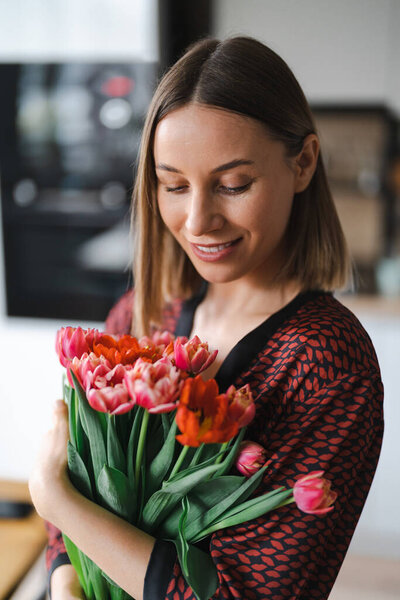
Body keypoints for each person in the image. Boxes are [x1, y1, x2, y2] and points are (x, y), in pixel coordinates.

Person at [29, 36, 384, 600]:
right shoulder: (145, 312)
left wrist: (55, 500)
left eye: (233, 184)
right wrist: (66, 578)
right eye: (173, 185)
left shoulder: (325, 362)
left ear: (303, 163)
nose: (198, 221)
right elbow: (77, 467)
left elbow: (244, 594)